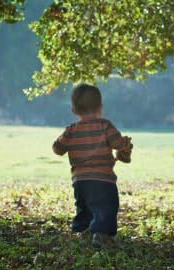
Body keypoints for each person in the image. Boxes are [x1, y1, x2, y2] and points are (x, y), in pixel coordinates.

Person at [52, 84, 133, 247]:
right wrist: (126, 143)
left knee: (84, 207)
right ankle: (101, 235)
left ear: (74, 109)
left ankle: (84, 231)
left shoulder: (71, 130)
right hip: (103, 180)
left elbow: (57, 149)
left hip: (80, 181)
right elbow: (117, 143)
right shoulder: (105, 126)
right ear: (100, 107)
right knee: (106, 207)